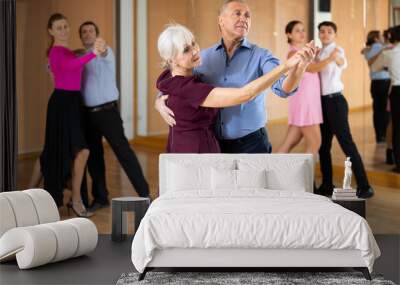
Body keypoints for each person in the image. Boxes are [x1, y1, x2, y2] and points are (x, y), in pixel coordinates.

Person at [156, 0, 311, 154]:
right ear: (221, 20)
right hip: (215, 145)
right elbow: (177, 83)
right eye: (237, 13)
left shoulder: (262, 56)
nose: (244, 18)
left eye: (247, 16)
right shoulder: (202, 58)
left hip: (252, 145)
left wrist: (299, 68)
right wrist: (159, 101)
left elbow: (283, 89)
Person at [38, 13, 105, 216]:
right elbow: (71, 66)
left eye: (66, 26)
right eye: (59, 28)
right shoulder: (55, 52)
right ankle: (75, 200)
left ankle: (35, 196)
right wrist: (93, 52)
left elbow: (72, 67)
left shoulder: (67, 51)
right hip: (62, 103)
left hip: (73, 103)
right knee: (76, 151)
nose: (64, 30)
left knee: (56, 152)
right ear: (51, 31)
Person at [78, 21, 150, 211]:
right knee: (94, 158)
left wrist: (100, 47)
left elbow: (102, 51)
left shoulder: (105, 52)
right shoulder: (81, 57)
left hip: (108, 112)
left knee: (123, 152)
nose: (87, 34)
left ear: (97, 34)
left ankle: (145, 194)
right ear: (81, 36)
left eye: (91, 31)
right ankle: (101, 198)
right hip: (88, 115)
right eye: (84, 32)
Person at [315, 21, 374, 198]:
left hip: (336, 102)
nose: (325, 34)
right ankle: (327, 184)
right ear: (319, 34)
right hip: (322, 103)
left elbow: (341, 62)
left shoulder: (337, 50)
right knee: (323, 146)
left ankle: (365, 186)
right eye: (322, 31)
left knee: (346, 143)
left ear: (334, 35)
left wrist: (334, 58)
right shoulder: (319, 52)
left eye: (329, 32)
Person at [278, 20, 339, 156]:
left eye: (303, 30)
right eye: (297, 30)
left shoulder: (302, 52)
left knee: (288, 144)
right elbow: (311, 69)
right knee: (315, 143)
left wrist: (316, 56)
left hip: (306, 102)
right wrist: (330, 58)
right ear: (289, 34)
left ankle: (270, 173)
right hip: (305, 104)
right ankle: (305, 177)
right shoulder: (293, 53)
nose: (302, 33)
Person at [372, 25, 400, 173]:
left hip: (397, 90)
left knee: (397, 126)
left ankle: (398, 163)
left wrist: (387, 67)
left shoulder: (389, 54)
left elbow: (374, 68)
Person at [362, 30, 391, 143]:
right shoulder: (383, 47)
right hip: (385, 82)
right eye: (380, 36)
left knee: (377, 110)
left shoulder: (367, 50)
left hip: (374, 84)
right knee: (386, 110)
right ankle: (386, 134)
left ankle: (379, 136)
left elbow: (364, 52)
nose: (383, 38)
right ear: (376, 38)